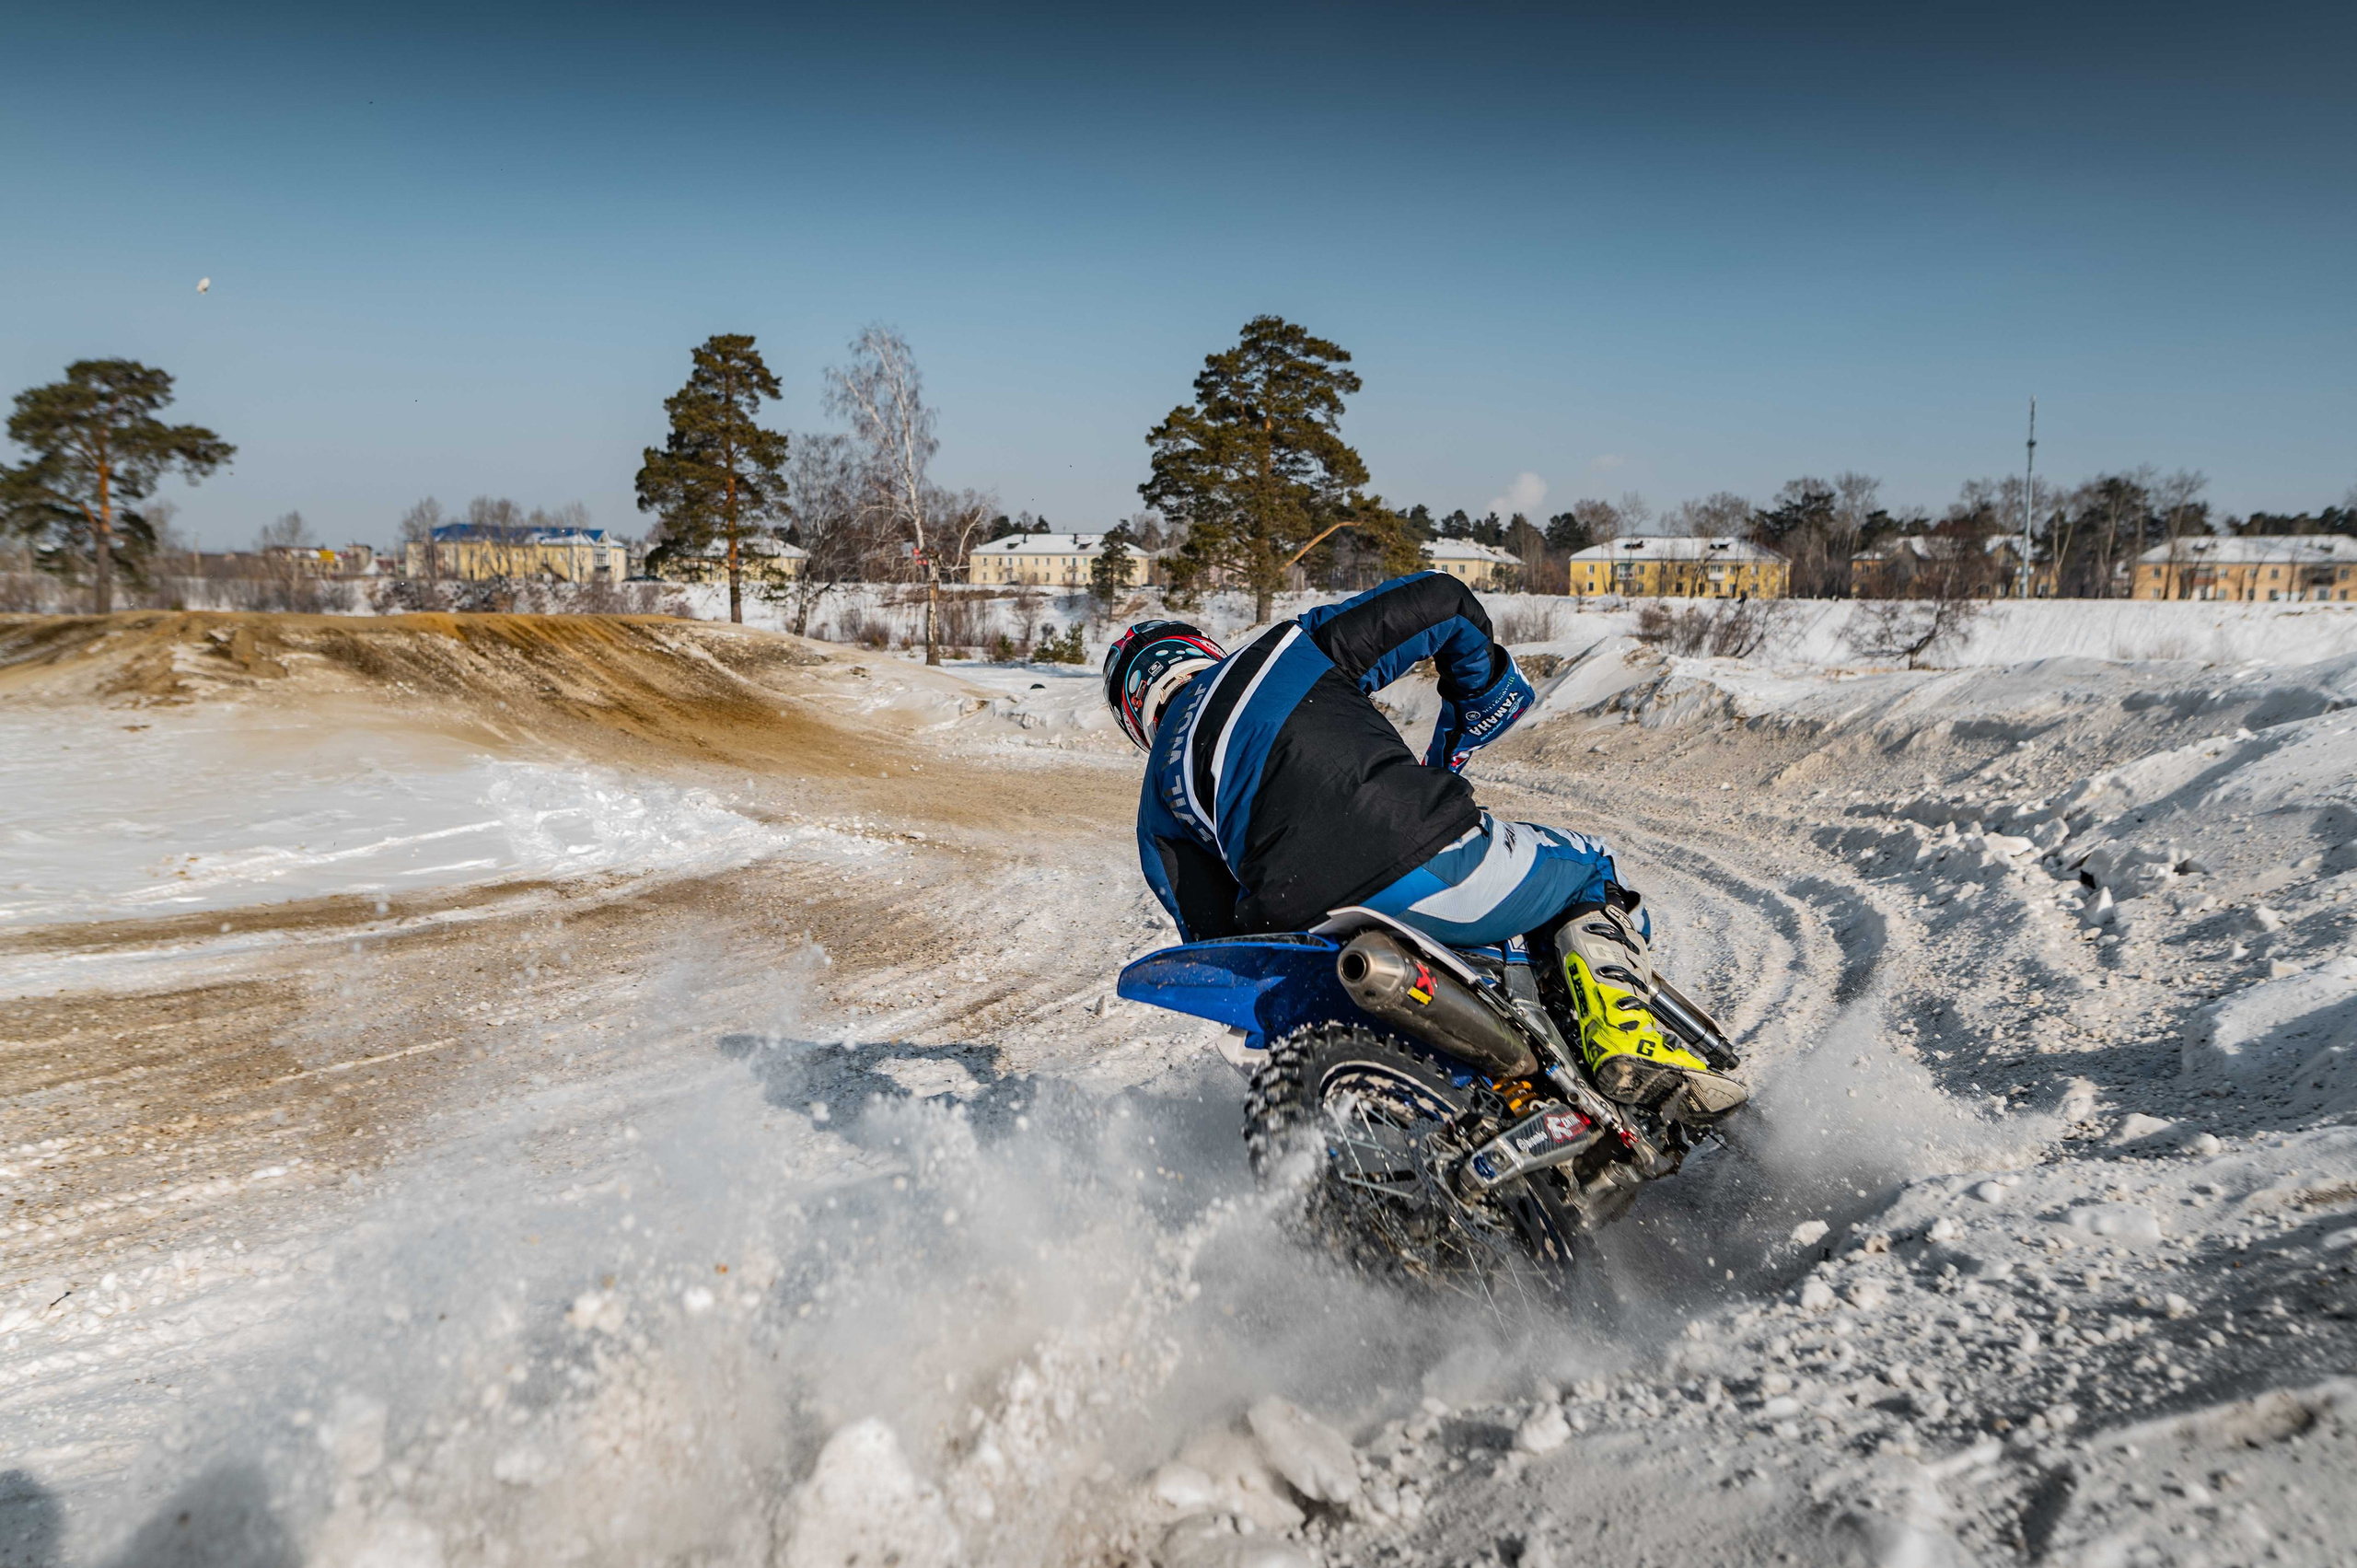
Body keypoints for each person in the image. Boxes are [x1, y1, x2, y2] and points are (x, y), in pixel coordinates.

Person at [1103, 570, 1740, 1111]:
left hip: (1305, 927)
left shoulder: (1158, 797)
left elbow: (1218, 942)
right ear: (1202, 649)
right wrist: (1480, 697)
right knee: (1589, 867)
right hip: (1421, 853)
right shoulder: (1281, 653)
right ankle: (1627, 1038)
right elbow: (1441, 600)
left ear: (1136, 713)